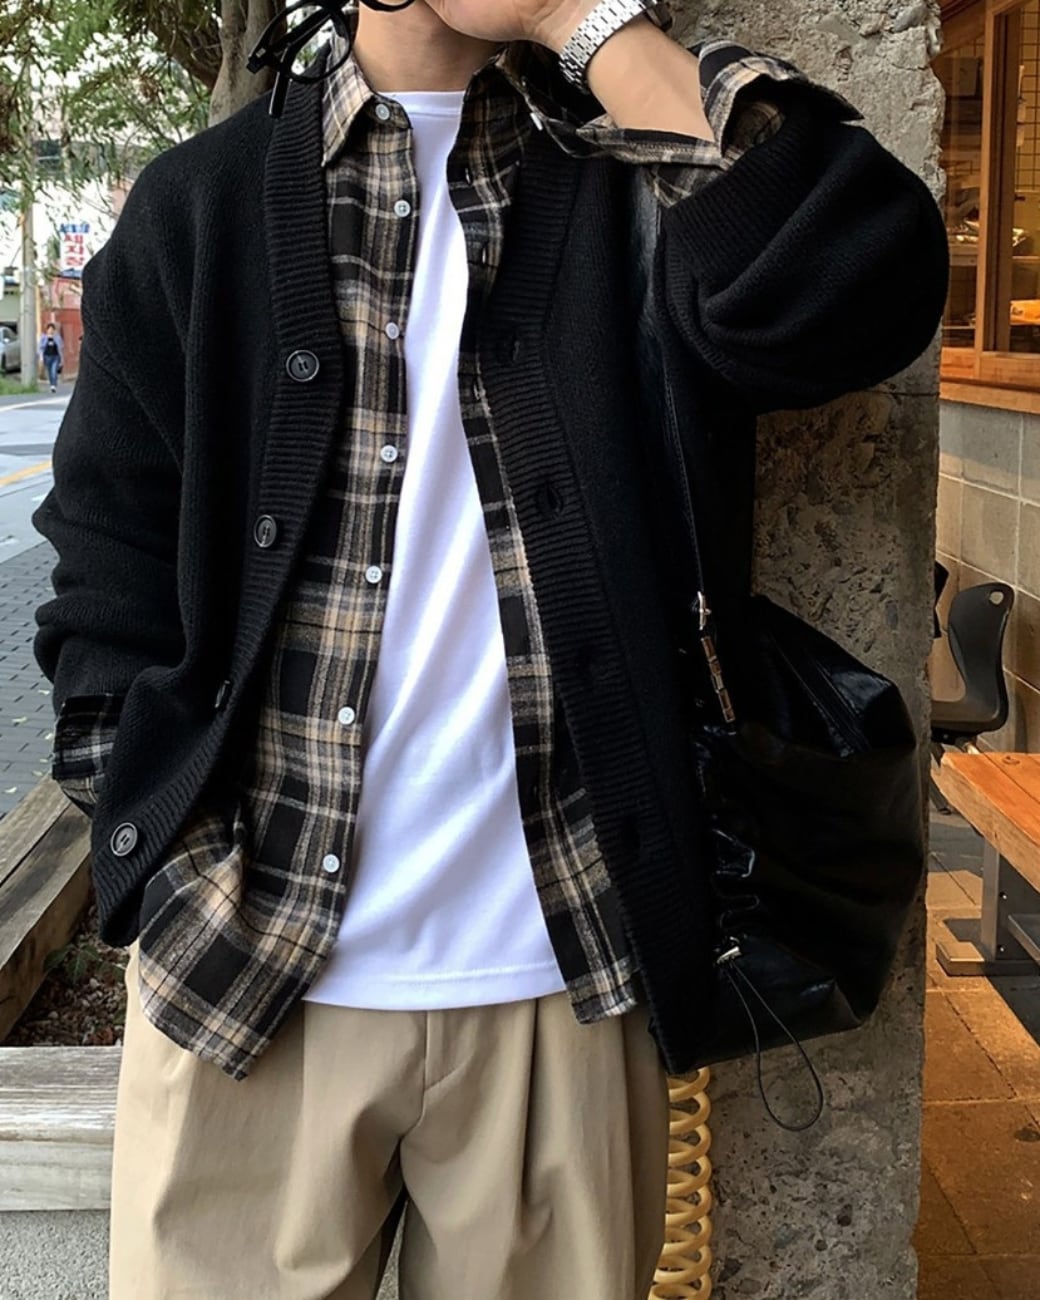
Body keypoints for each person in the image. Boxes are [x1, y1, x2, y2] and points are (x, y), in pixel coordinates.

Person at [32, 1, 948, 1296]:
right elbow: (105, 565)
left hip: (561, 986)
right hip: (244, 980)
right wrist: (164, 859)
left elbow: (861, 284)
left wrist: (583, 23)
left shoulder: (637, 191)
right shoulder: (202, 207)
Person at [38, 322, 63, 392]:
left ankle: (54, 385)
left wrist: (62, 360)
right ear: (47, 330)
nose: (50, 331)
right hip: (47, 357)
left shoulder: (57, 338)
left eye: (52, 329)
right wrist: (41, 358)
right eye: (49, 329)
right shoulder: (44, 338)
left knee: (54, 371)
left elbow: (60, 348)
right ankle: (51, 384)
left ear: (54, 330)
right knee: (49, 371)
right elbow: (40, 348)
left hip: (55, 357)